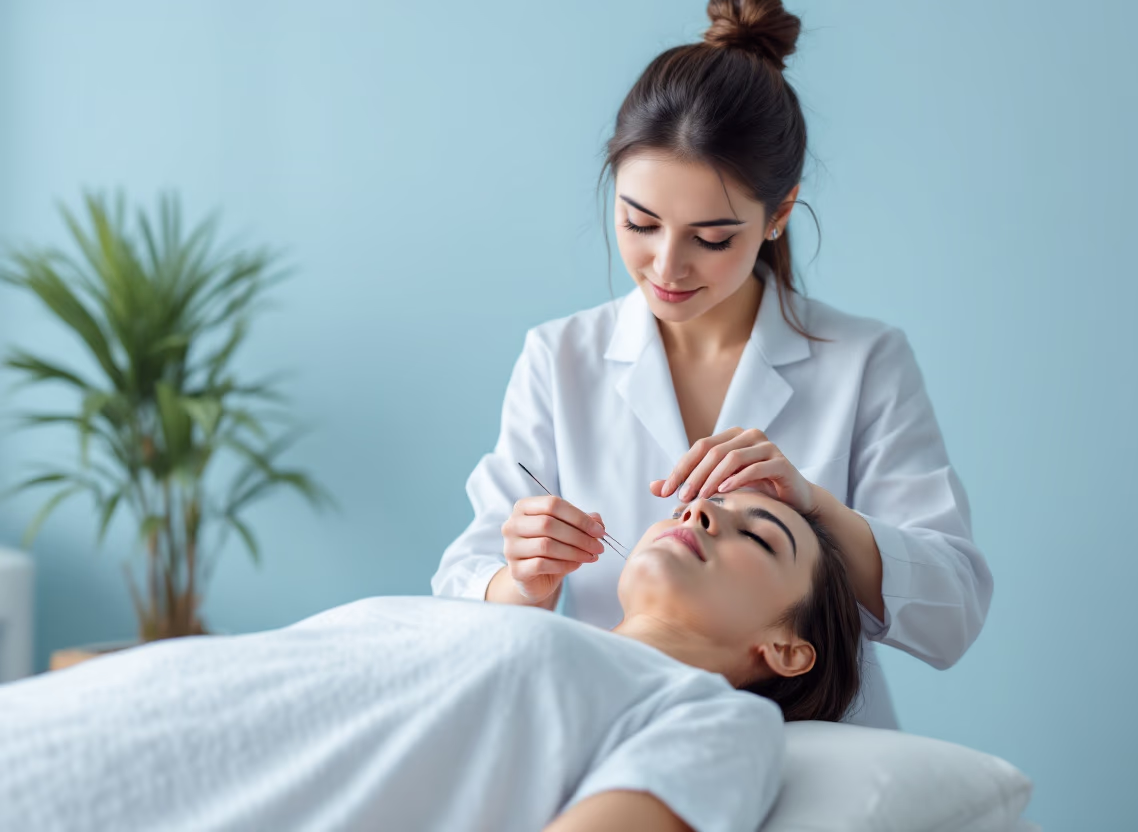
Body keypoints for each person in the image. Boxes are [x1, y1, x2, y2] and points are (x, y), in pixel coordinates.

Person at [431, 0, 993, 730]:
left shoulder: (864, 360)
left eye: (712, 238)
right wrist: (524, 581)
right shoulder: (559, 357)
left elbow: (953, 613)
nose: (666, 267)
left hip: (811, 749)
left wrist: (815, 507)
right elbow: (461, 589)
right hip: (615, 724)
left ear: (779, 213)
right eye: (639, 222)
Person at [0, 490, 860, 832]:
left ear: (786, 648)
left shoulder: (713, 719)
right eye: (707, 505)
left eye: (758, 536)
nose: (705, 515)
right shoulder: (512, 623)